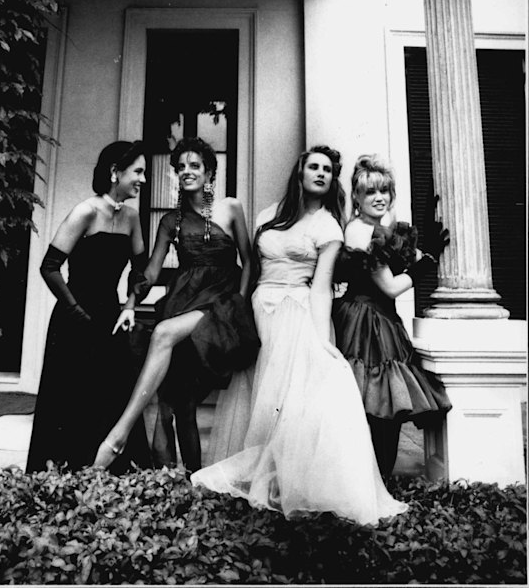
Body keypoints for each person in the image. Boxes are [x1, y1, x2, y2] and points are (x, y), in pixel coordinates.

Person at [190, 146, 408, 524]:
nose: (321, 173)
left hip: (297, 313)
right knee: (259, 397)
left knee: (289, 400)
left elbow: (321, 287)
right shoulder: (268, 216)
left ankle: (283, 482)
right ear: (300, 172)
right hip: (261, 310)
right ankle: (261, 480)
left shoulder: (329, 227)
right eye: (314, 167)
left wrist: (323, 340)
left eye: (328, 170)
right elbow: (252, 268)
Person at [93, 137, 260, 471]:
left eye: (194, 166)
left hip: (222, 306)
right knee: (180, 404)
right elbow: (151, 272)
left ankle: (119, 434)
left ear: (209, 172)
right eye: (181, 167)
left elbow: (249, 262)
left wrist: (239, 303)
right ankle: (188, 481)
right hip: (184, 305)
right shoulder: (171, 221)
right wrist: (130, 303)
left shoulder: (231, 208)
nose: (186, 171)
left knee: (163, 334)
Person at [26, 140, 153, 474]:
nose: (143, 179)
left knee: (111, 396)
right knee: (70, 398)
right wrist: (75, 311)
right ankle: (64, 478)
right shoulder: (85, 211)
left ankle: (108, 479)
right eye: (138, 171)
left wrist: (130, 305)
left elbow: (140, 271)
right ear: (115, 172)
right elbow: (49, 267)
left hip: (110, 318)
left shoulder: (132, 217)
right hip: (74, 318)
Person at [332, 154, 452, 482]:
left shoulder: (379, 230)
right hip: (365, 321)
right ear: (356, 197)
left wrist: (421, 250)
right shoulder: (360, 231)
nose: (379, 197)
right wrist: (427, 262)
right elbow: (390, 286)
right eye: (370, 191)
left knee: (386, 404)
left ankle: (378, 482)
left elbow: (401, 260)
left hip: (383, 319)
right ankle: (368, 482)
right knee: (374, 404)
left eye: (384, 190)